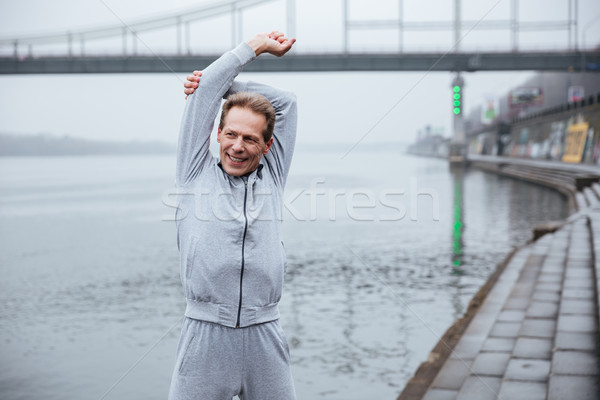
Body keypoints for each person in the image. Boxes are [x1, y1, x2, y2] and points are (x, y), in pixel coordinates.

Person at [168, 31, 298, 400]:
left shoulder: (272, 176)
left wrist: (229, 85)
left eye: (251, 139)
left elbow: (286, 103)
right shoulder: (194, 173)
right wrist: (253, 47)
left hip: (265, 333)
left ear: (268, 145)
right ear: (218, 134)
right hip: (204, 337)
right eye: (231, 135)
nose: (238, 147)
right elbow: (205, 91)